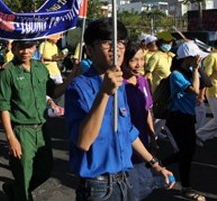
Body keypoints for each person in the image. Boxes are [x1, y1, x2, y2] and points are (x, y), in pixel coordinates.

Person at [65, 18, 174, 201]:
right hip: (98, 187)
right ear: (90, 50)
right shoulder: (79, 88)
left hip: (125, 180)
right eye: (108, 43)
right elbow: (84, 141)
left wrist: (155, 164)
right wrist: (104, 93)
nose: (116, 48)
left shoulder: (120, 85)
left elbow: (127, 131)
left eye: (121, 43)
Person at [0, 40, 71, 201]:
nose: (25, 51)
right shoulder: (7, 73)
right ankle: (20, 193)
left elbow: (54, 92)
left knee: (45, 169)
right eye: (21, 47)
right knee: (23, 174)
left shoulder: (40, 68)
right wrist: (10, 137)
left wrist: (72, 76)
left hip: (42, 128)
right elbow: (4, 107)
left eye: (29, 47)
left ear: (35, 48)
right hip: (22, 130)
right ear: (14, 48)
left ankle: (14, 189)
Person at [161, 41, 211, 201]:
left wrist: (198, 68)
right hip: (177, 117)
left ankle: (158, 163)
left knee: (188, 152)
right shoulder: (176, 75)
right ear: (187, 57)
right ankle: (185, 186)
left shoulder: (190, 71)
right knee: (186, 153)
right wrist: (195, 69)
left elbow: (207, 82)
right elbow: (195, 90)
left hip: (188, 116)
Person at [122, 41, 157, 200]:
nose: (139, 64)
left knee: (144, 185)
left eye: (141, 59)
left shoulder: (142, 81)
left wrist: (152, 134)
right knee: (131, 189)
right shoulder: (117, 84)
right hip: (125, 141)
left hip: (142, 138)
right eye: (133, 60)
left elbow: (147, 109)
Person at [196, 40, 217, 146]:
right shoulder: (212, 57)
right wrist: (201, 94)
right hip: (214, 91)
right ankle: (198, 135)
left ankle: (203, 135)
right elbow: (205, 77)